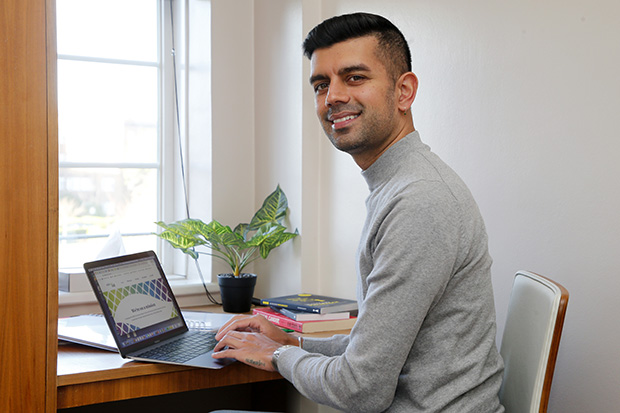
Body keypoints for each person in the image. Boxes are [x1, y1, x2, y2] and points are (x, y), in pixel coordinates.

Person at [212, 12, 504, 413]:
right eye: (321, 84)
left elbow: (360, 389)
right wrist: (289, 341)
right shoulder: (398, 185)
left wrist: (277, 357)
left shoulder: (419, 201)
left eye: (354, 78)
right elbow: (370, 352)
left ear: (404, 92)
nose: (332, 97)